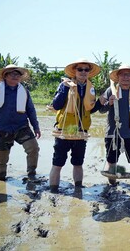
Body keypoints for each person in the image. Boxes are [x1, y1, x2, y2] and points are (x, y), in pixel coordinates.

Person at [49, 59, 105, 193]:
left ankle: (78, 188)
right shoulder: (64, 85)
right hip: (64, 130)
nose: (83, 72)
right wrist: (65, 89)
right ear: (74, 71)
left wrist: (100, 103)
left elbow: (89, 110)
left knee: (78, 163)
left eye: (86, 70)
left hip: (81, 131)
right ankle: (53, 190)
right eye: (80, 69)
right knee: (58, 163)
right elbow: (56, 105)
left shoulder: (90, 88)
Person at [0, 64, 40, 181]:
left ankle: (32, 174)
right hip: (2, 129)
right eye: (11, 74)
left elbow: (30, 110)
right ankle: (0, 179)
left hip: (21, 127)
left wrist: (36, 127)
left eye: (17, 74)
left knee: (33, 148)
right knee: (1, 159)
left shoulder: (24, 92)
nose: (15, 76)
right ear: (5, 76)